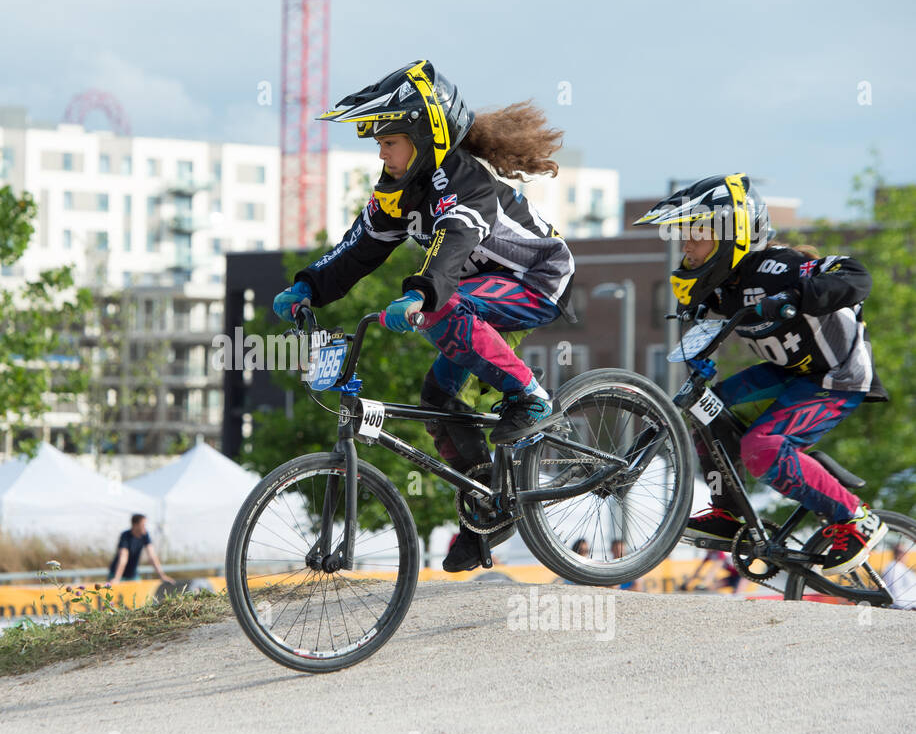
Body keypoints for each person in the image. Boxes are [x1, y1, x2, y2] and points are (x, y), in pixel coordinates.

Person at [272, 60, 576, 574]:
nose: (382, 153)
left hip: (534, 281)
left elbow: (453, 245)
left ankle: (533, 398)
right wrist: (309, 286)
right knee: (437, 401)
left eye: (390, 142)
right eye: (379, 145)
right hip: (472, 294)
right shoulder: (398, 189)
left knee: (444, 310)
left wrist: (421, 294)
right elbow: (359, 247)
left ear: (424, 135)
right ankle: (487, 506)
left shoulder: (466, 182)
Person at [634, 173, 888, 576]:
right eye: (683, 236)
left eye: (695, 234)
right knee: (704, 410)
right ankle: (729, 514)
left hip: (836, 378)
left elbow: (856, 276)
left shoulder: (777, 267)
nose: (685, 246)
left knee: (762, 447)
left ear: (731, 233)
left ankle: (856, 518)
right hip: (786, 370)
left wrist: (795, 295)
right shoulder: (722, 285)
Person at [106, 514, 174, 585]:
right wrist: (117, 578)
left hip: (132, 574)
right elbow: (123, 557)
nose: (145, 527)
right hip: (117, 574)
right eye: (143, 525)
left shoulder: (145, 535)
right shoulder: (125, 536)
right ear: (135, 525)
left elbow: (152, 556)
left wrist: (162, 576)